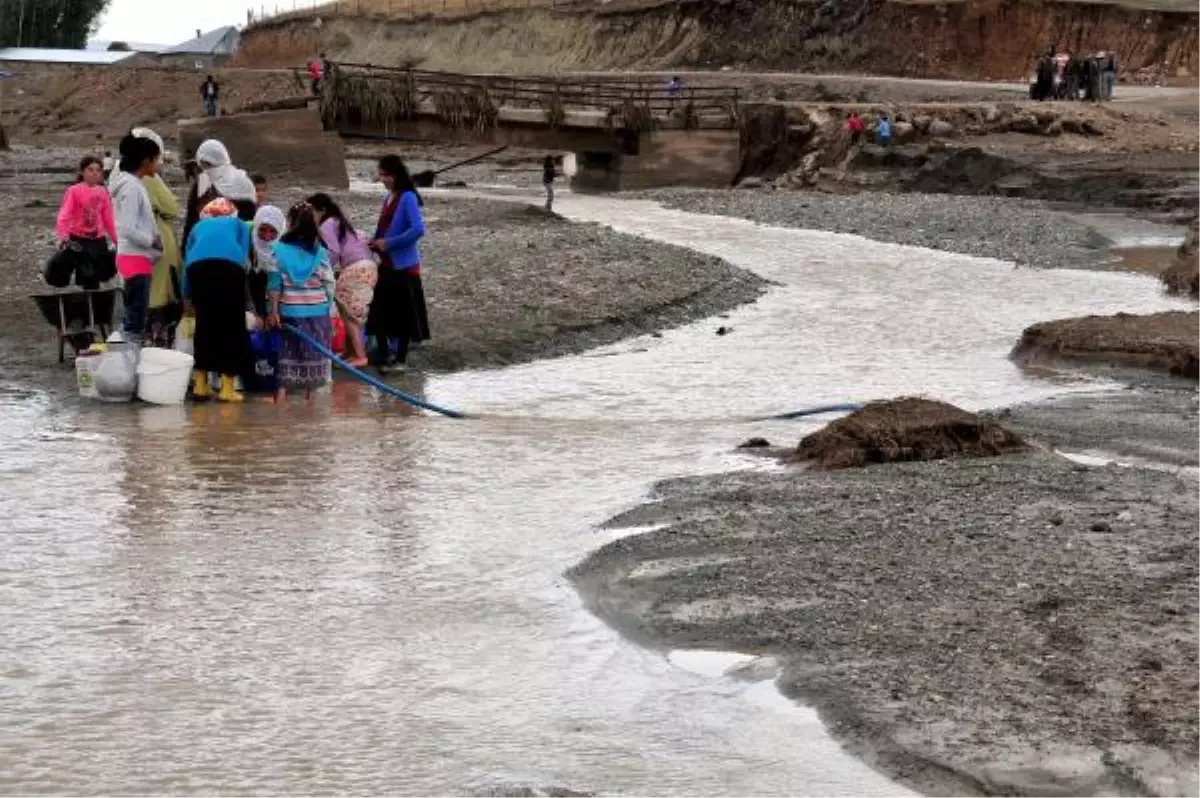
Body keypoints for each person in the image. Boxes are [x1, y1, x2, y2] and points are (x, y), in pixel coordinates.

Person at [182, 198, 254, 402]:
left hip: (198, 270)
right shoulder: (238, 224)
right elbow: (245, 259)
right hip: (229, 269)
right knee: (232, 326)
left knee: (204, 324)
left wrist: (186, 296)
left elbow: (187, 261)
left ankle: (201, 384)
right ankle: (227, 388)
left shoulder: (197, 227)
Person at [367, 155, 430, 374]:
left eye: (385, 175)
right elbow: (384, 228)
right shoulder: (388, 197)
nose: (382, 179)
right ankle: (384, 352)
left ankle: (400, 360)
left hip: (404, 266)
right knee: (380, 311)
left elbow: (418, 229)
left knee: (403, 315)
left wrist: (389, 243)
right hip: (386, 263)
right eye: (381, 174)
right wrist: (375, 243)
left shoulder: (408, 197)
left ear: (395, 175)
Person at [268, 202, 336, 400]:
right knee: (314, 361)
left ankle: (280, 403)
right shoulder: (321, 253)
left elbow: (274, 286)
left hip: (290, 313)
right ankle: (310, 410)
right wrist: (328, 309)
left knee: (288, 357)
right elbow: (329, 284)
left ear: (290, 222)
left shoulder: (277, 251)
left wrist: (274, 312)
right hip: (317, 313)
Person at [121, 128, 182, 348]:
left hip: (132, 253)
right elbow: (171, 207)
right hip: (147, 249)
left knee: (136, 303)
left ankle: (140, 348)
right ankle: (152, 348)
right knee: (153, 301)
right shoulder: (142, 182)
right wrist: (151, 241)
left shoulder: (121, 179)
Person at [308, 192, 376, 368]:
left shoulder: (327, 224)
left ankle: (360, 356)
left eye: (312, 212)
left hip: (357, 268)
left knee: (350, 312)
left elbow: (333, 251)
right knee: (345, 307)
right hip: (367, 266)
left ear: (321, 210)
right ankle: (349, 351)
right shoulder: (339, 221)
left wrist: (322, 271)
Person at [110, 134, 164, 341]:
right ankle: (124, 362)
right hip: (135, 258)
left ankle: (123, 358)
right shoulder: (131, 187)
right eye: (155, 159)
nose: (158, 164)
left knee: (133, 317)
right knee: (135, 321)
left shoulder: (129, 183)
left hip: (135, 258)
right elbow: (127, 228)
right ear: (145, 161)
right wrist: (152, 240)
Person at [183, 139, 258, 256]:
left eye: (209, 164)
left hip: (234, 246)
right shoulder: (202, 182)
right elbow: (191, 218)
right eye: (203, 165)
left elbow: (250, 221)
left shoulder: (241, 182)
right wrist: (186, 250)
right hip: (205, 245)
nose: (206, 169)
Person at [55, 155, 118, 290]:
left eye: (98, 170)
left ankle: (95, 305)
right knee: (87, 276)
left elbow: (109, 219)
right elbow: (64, 215)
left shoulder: (103, 192)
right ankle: (88, 305)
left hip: (98, 241)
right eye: (90, 170)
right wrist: (63, 236)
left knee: (100, 275)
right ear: (82, 172)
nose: (95, 173)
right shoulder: (74, 191)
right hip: (79, 241)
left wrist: (117, 239)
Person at [250, 205, 285, 318]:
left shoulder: (285, 248)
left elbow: (276, 282)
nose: (267, 236)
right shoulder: (246, 243)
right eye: (262, 229)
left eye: (273, 231)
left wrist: (274, 313)